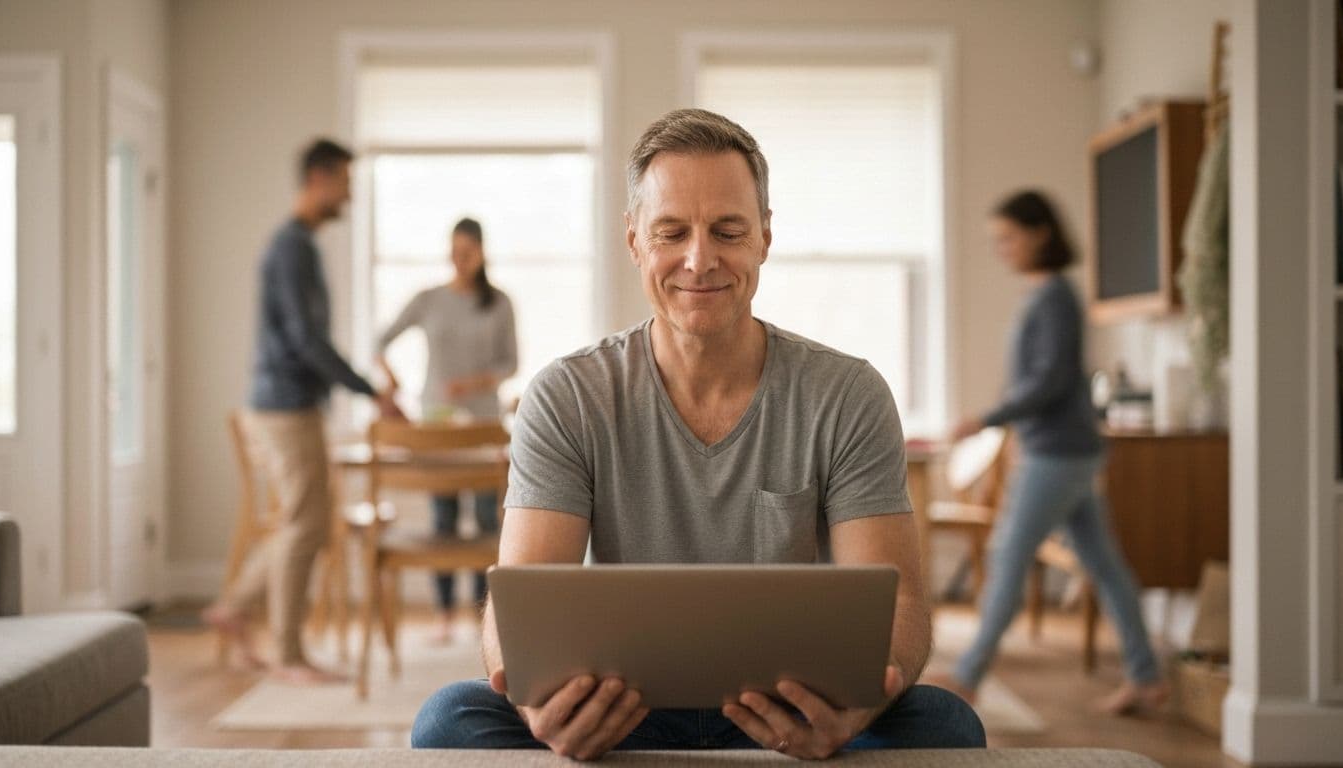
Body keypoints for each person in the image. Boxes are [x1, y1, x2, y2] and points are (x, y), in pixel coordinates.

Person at [410, 109, 985, 759]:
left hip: (792, 710)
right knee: (449, 720)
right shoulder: (567, 396)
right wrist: (538, 707)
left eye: (728, 231)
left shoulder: (847, 394)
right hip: (618, 711)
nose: (699, 259)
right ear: (634, 240)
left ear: (765, 237)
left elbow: (901, 600)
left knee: (944, 724)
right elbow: (521, 597)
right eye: (672, 232)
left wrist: (854, 712)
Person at [939, 190, 1168, 715]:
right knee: (1105, 566)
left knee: (1007, 554)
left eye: (1008, 238)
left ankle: (968, 676)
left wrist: (987, 418)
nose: (1002, 249)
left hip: (1059, 454)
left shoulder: (1056, 298)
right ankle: (1146, 676)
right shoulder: (1045, 294)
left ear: (1040, 233)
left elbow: (1049, 381)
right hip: (1063, 450)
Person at [203, 138, 404, 685]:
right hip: (286, 407)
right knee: (307, 526)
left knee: (303, 522)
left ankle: (235, 608)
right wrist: (370, 391)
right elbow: (305, 340)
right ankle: (288, 654)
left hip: (286, 402)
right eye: (346, 182)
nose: (349, 195)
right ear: (319, 178)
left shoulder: (299, 246)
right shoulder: (292, 248)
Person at [375, 217, 518, 642]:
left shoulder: (499, 303)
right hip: (435, 425)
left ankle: (481, 616)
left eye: (467, 252)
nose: (460, 259)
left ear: (481, 253)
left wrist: (473, 383)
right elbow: (380, 340)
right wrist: (390, 382)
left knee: (487, 521)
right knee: (443, 519)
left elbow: (510, 363)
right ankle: (444, 614)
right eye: (454, 252)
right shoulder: (428, 299)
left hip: (483, 427)